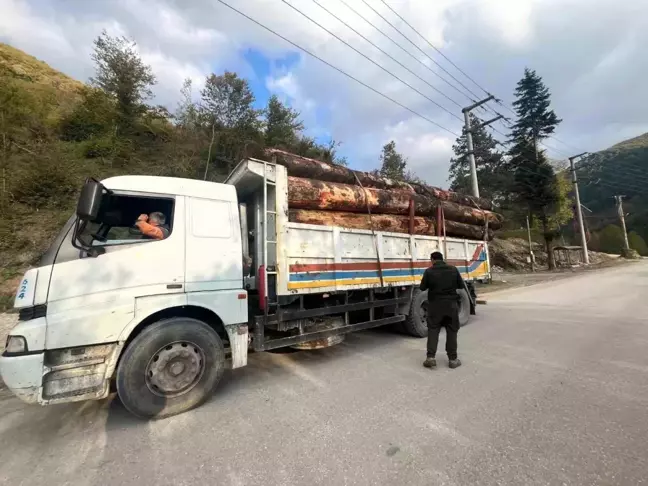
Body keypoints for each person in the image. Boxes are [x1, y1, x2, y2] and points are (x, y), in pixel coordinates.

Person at [419, 251, 465, 369]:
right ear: (442, 259)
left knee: (433, 330)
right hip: (451, 306)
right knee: (452, 331)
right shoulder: (453, 269)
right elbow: (461, 285)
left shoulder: (429, 271)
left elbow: (422, 287)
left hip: (435, 306)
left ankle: (430, 358)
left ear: (433, 260)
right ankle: (453, 360)